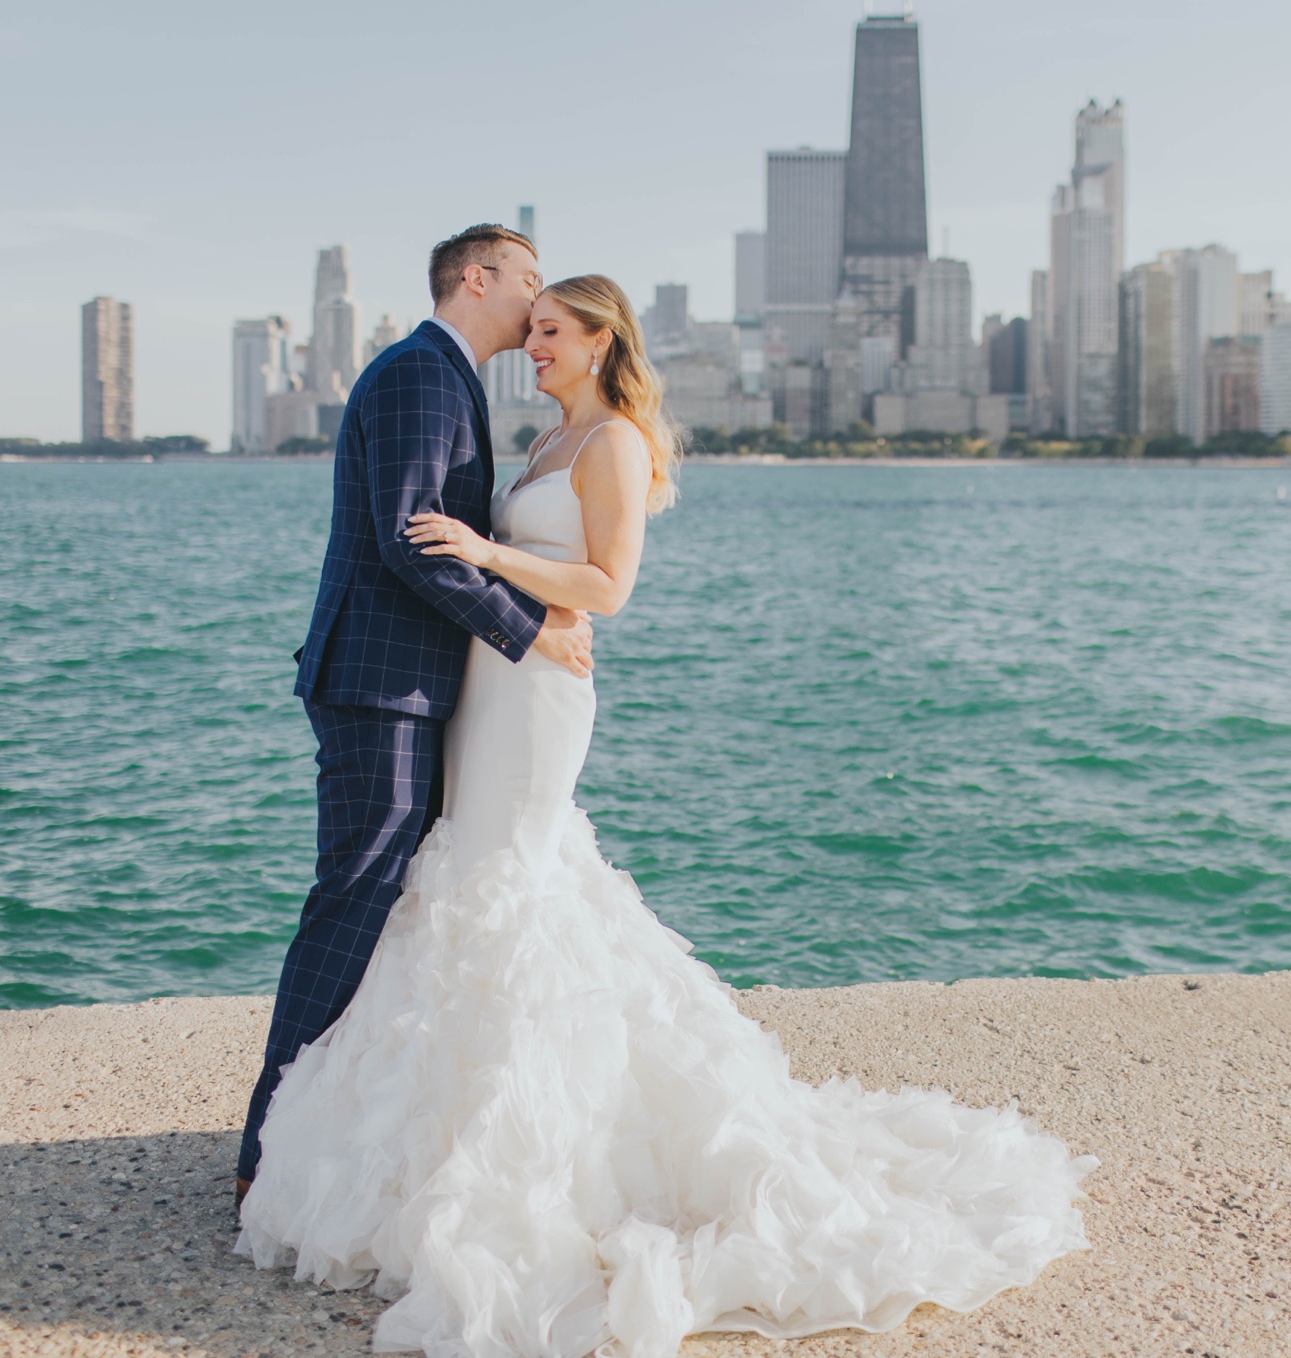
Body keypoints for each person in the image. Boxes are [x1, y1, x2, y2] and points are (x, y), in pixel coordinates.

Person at [235, 272, 1099, 1358]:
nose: (533, 345)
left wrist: (490, 555)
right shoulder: (547, 441)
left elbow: (606, 585)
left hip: (540, 689)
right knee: (463, 875)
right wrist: (502, 587)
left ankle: (545, 1142)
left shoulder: (614, 445)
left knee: (514, 873)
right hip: (494, 679)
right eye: (531, 326)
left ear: (601, 342)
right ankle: (432, 1130)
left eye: (551, 332)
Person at [235, 223, 593, 1203]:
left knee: (388, 902)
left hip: (410, 682)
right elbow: (408, 541)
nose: (535, 297)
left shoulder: (446, 376)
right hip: (378, 683)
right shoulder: (419, 374)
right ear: (475, 278)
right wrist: (526, 629)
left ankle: (340, 1126)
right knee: (353, 900)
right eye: (524, 279)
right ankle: (268, 1150)